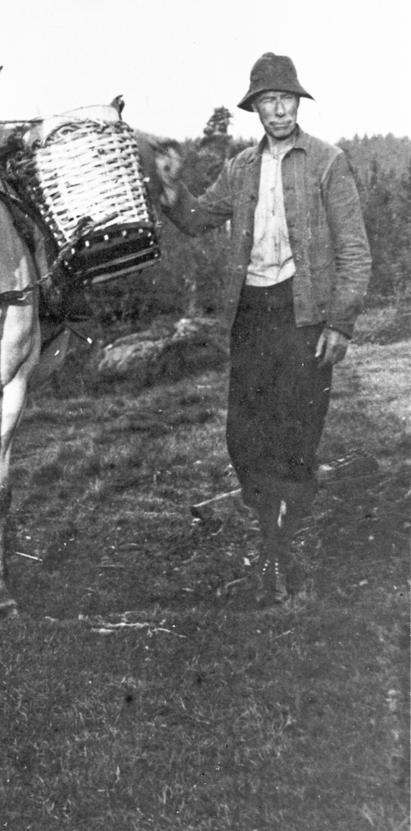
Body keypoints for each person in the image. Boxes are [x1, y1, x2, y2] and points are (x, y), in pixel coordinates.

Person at [156, 53, 371, 602]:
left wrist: (340, 325)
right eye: (267, 101)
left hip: (305, 316)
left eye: (286, 99)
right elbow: (199, 219)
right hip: (252, 314)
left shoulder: (327, 163)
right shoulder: (241, 169)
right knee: (245, 435)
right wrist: (171, 188)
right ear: (254, 108)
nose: (277, 109)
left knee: (298, 433)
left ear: (298, 103)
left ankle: (283, 546)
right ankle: (267, 532)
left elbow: (354, 250)